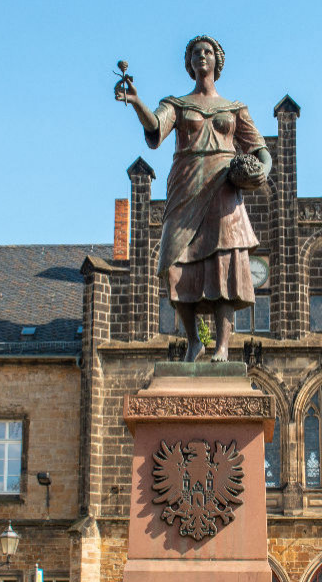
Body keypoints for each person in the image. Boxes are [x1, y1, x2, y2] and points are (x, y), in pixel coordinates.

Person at [114, 35, 272, 362]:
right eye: (195, 53)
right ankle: (193, 340)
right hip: (185, 183)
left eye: (207, 52)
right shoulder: (177, 103)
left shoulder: (235, 108)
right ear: (189, 63)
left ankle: (223, 347)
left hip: (225, 186)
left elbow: (260, 150)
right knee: (173, 263)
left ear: (217, 61)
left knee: (224, 264)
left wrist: (261, 172)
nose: (202, 56)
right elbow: (156, 129)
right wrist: (137, 102)